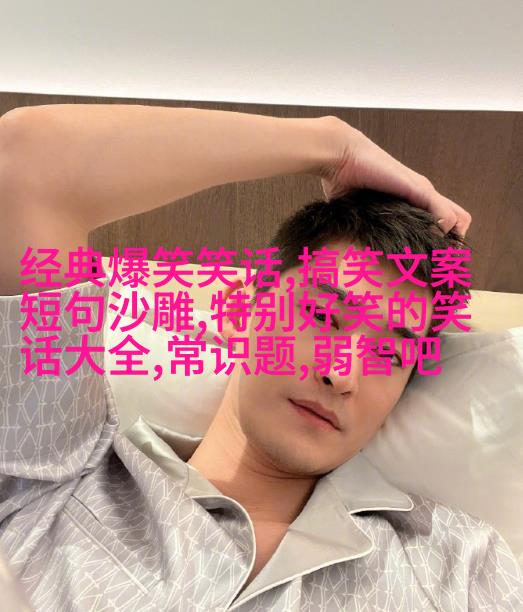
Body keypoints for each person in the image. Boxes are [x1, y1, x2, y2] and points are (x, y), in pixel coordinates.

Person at [0, 105, 521, 611]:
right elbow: (29, 164)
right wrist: (334, 147)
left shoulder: (458, 566)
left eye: (388, 352)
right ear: (240, 311)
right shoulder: (57, 468)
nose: (341, 373)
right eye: (322, 315)